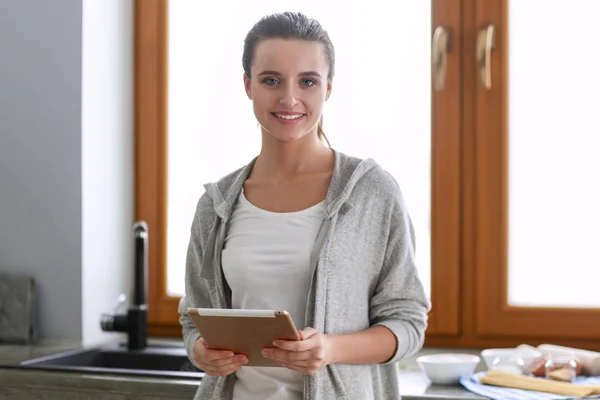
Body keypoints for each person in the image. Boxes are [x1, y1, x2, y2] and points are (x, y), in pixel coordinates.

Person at [178, 11, 431, 400]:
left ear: (328, 87)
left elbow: (408, 323)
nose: (289, 98)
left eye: (307, 81)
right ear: (248, 85)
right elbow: (193, 316)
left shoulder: (372, 193)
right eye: (270, 80)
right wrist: (201, 351)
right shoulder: (216, 205)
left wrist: (330, 349)